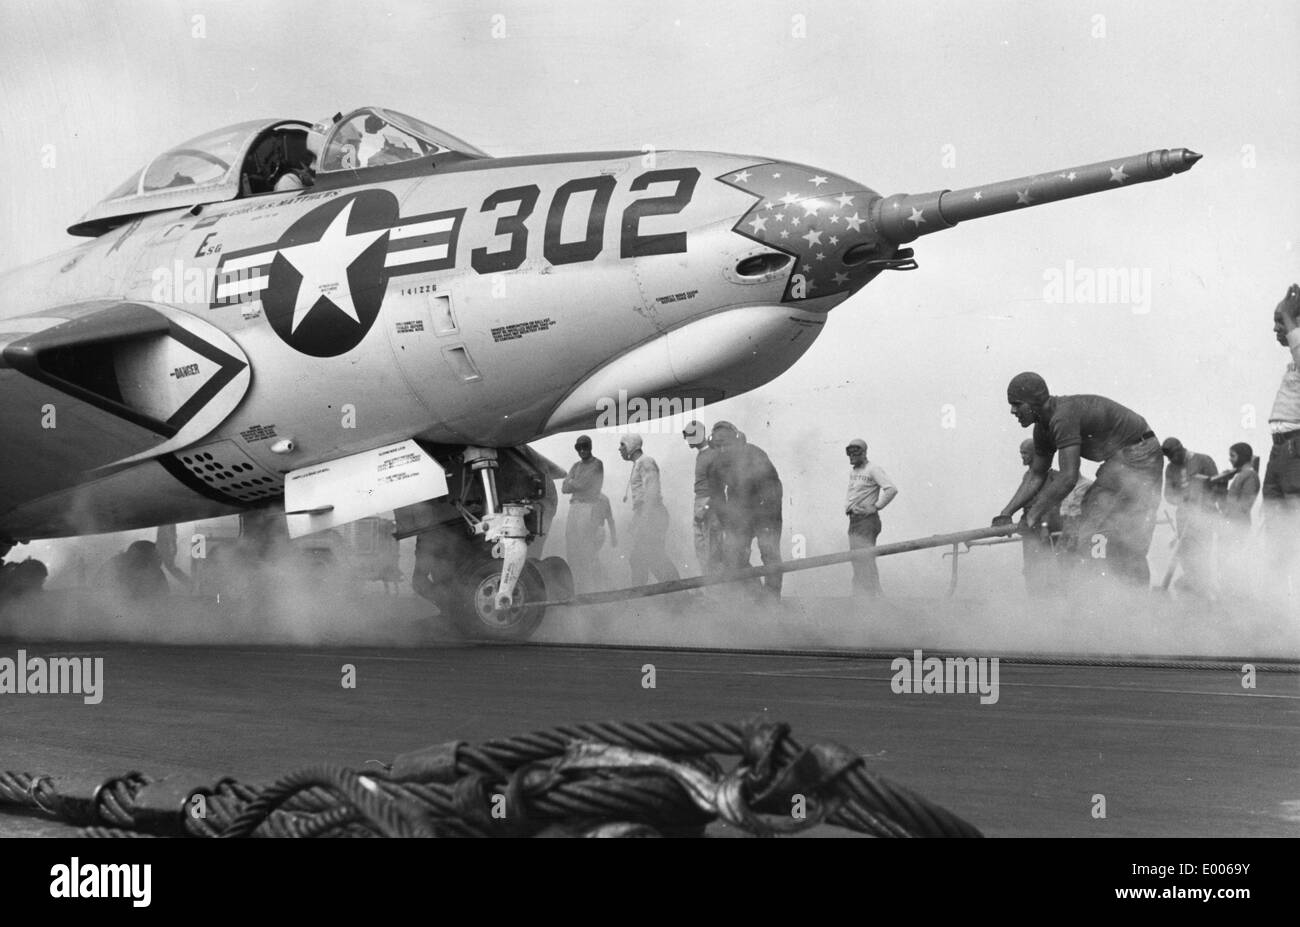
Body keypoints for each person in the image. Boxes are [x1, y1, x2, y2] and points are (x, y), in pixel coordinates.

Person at [994, 372, 1163, 586]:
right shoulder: (1042, 430)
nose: (1013, 411)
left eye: (1017, 404)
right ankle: (1111, 597)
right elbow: (1037, 474)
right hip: (1120, 460)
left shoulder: (1062, 417)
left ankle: (1123, 600)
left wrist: (1032, 515)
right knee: (1094, 525)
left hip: (1141, 453)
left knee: (1111, 531)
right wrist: (1006, 513)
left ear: (1034, 401)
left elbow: (1068, 477)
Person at [712, 422, 784, 600]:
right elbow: (717, 497)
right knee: (734, 557)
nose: (722, 450)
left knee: (769, 554)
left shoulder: (755, 455)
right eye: (718, 445)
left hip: (766, 510)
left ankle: (772, 600)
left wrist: (767, 520)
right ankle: (758, 595)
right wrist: (727, 523)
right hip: (739, 512)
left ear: (736, 441)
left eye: (726, 444)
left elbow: (773, 490)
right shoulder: (717, 464)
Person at [1265, 283, 1300, 593]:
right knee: (1277, 531)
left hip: (1294, 449)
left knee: (1293, 527)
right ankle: (1280, 605)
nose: (1277, 328)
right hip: (1281, 451)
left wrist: (1290, 319)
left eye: (1281, 321)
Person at [1160, 438, 1219, 596]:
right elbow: (1168, 495)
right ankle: (1192, 589)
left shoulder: (1203, 460)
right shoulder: (1170, 469)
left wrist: (1203, 500)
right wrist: (1183, 499)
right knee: (1185, 553)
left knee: (1202, 552)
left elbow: (1218, 486)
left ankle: (1206, 589)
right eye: (1169, 458)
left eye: (1173, 456)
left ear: (1181, 449)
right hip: (1184, 517)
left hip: (1204, 515)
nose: (1172, 460)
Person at [618, 435, 680, 586]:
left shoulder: (645, 462)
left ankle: (675, 593)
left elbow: (651, 492)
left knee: (651, 556)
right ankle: (670, 592)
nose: (620, 449)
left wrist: (644, 519)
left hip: (653, 513)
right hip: (647, 513)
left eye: (623, 445)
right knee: (645, 557)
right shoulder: (639, 463)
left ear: (631, 445)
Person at [845, 438, 898, 598]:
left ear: (864, 452)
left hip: (866, 521)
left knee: (863, 560)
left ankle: (865, 600)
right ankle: (870, 596)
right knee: (859, 560)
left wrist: (876, 506)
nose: (852, 456)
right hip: (854, 521)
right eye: (849, 452)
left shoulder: (873, 469)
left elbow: (891, 489)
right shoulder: (854, 471)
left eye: (856, 452)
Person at [1011, 438, 1062, 596]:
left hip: (1044, 527)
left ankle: (1047, 603)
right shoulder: (1028, 475)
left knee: (1048, 566)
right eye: (1021, 453)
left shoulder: (1048, 476)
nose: (1022, 457)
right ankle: (1035, 602)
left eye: (1025, 453)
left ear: (1035, 454)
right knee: (1031, 568)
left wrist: (1045, 527)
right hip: (1030, 526)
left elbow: (1048, 503)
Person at [560, 436, 606, 591]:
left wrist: (572, 482)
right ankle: (578, 587)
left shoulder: (597, 464)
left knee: (587, 548)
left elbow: (582, 484)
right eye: (578, 447)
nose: (582, 450)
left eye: (585, 446)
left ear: (590, 446)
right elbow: (564, 488)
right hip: (575, 508)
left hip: (589, 507)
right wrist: (573, 484)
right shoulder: (576, 466)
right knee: (572, 548)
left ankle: (596, 587)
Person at [683, 420, 725, 575]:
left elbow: (718, 489)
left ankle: (718, 592)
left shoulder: (712, 455)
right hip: (701, 502)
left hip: (709, 505)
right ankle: (711, 590)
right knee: (702, 550)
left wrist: (705, 509)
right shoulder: (703, 454)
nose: (687, 439)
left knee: (712, 551)